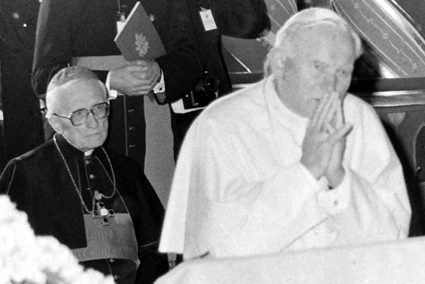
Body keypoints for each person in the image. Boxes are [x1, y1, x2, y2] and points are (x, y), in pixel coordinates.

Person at [158, 8, 412, 260]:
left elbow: (391, 240)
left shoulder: (360, 118)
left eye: (342, 72)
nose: (330, 85)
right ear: (280, 63)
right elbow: (225, 253)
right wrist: (307, 171)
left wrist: (340, 178)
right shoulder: (221, 124)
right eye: (318, 66)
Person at [0, 66, 168, 283]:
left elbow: (155, 248)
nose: (94, 121)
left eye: (99, 108)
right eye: (79, 114)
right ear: (55, 122)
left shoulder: (126, 169)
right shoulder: (25, 172)